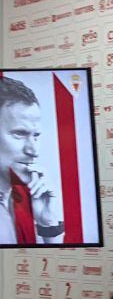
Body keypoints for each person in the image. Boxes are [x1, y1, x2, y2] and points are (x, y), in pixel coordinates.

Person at [0, 76, 63, 245]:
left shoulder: (22, 199)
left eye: (36, 135)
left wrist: (48, 226)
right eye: (19, 134)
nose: (33, 151)